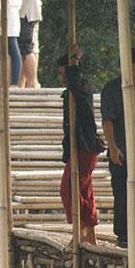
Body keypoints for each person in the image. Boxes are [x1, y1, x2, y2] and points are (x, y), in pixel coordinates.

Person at [100, 47, 135, 248]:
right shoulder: (111, 89)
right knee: (121, 191)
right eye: (132, 69)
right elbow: (108, 120)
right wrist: (112, 146)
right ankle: (123, 233)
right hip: (120, 146)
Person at [58, 50, 101, 245]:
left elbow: (76, 84)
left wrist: (74, 65)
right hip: (78, 146)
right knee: (84, 190)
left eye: (62, 73)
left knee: (69, 187)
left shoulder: (81, 87)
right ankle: (89, 233)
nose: (60, 78)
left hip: (85, 146)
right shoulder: (71, 92)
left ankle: (80, 230)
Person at [18, 0, 46, 88]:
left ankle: (33, 82)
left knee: (27, 47)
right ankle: (23, 83)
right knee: (24, 48)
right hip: (21, 6)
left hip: (27, 7)